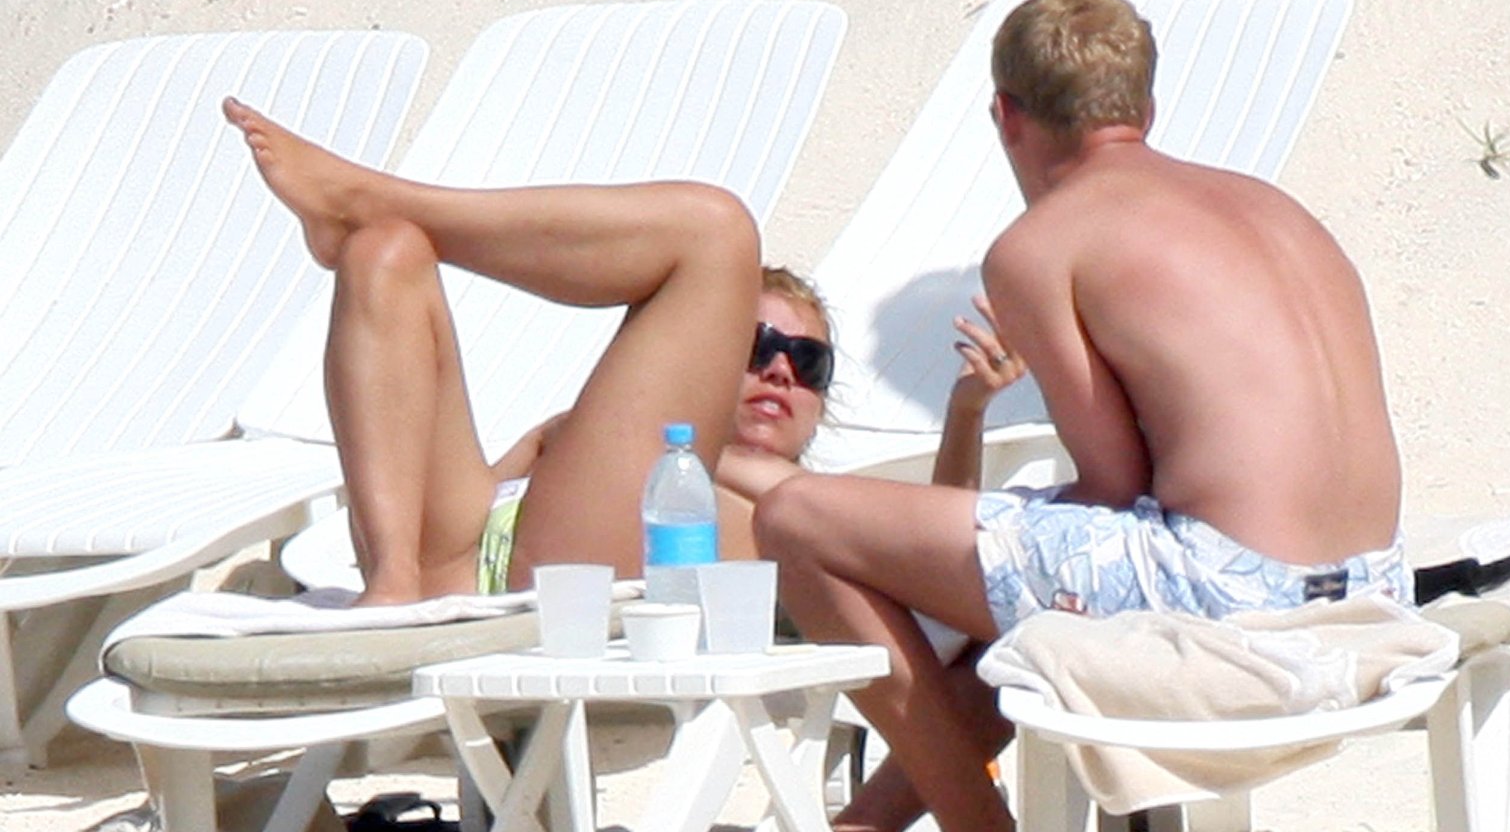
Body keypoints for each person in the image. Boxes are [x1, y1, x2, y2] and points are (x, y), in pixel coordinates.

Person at [752, 0, 1408, 832]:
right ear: (1146, 106)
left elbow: (1113, 486)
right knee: (1011, 567)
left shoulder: (1042, 244)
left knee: (797, 519)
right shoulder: (1278, 211)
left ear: (1005, 115)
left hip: (1232, 591)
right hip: (1373, 582)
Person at [222, 97, 1025, 607]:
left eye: (807, 364)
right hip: (460, 568)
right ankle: (393, 580)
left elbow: (942, 552)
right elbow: (498, 490)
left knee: (714, 231)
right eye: (756, 346)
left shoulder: (800, 503)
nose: (781, 370)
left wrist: (965, 415)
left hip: (574, 590)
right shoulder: (595, 445)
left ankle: (371, 199)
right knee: (385, 255)